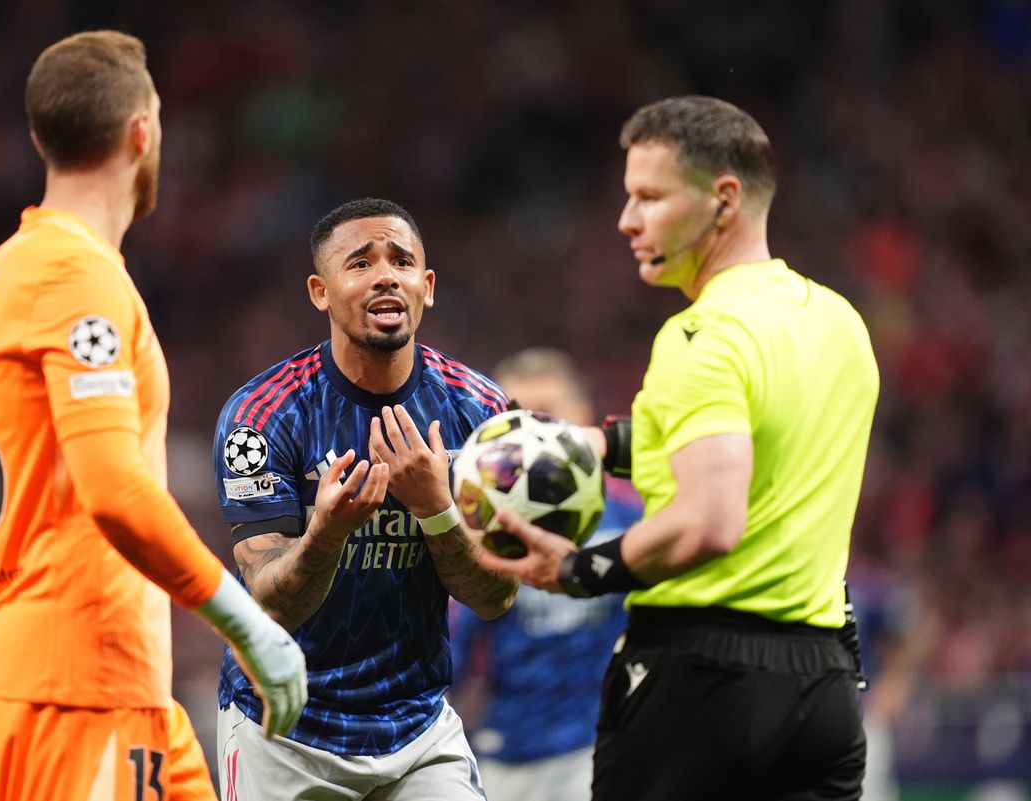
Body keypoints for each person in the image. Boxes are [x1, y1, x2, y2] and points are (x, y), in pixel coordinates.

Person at [482, 96, 880, 801]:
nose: (627, 220)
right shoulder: (838, 321)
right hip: (824, 687)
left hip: (700, 685)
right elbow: (740, 445)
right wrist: (595, 444)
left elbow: (709, 518)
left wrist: (578, 568)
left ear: (723, 200)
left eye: (649, 197)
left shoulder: (700, 338)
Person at [0, 31, 306, 801]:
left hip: (120, 680)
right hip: (75, 677)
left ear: (38, 138)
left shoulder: (24, 266)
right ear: (143, 132)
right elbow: (113, 486)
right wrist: (243, 620)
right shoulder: (70, 275)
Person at [211, 197, 520, 801]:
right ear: (320, 292)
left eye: (402, 262)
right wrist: (327, 532)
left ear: (426, 288)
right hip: (286, 732)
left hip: (417, 733)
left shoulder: (482, 414)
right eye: (360, 263)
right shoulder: (260, 418)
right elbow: (269, 607)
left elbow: (496, 597)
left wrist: (436, 510)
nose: (386, 275)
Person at [450, 347, 642, 801]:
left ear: (584, 419)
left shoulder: (632, 523)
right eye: (516, 417)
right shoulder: (475, 534)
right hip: (506, 752)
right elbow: (450, 651)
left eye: (548, 416)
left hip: (600, 745)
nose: (531, 437)